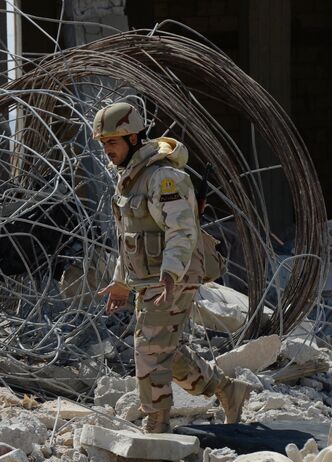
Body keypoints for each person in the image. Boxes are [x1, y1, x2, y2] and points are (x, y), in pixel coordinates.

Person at [92, 102, 253, 433]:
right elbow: (133, 238)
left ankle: (157, 426)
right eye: (104, 143)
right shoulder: (130, 178)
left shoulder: (164, 177)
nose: (107, 150)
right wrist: (122, 281)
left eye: (113, 142)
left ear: (134, 138)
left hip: (172, 277)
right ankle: (227, 389)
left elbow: (182, 231)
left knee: (149, 348)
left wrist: (171, 274)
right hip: (152, 278)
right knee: (166, 348)